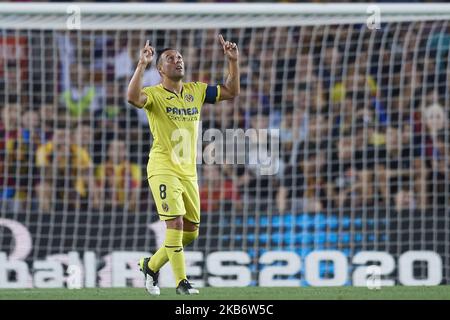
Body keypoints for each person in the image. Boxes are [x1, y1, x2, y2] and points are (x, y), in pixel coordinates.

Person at [127, 35, 239, 295]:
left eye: (179, 57)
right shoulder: (154, 94)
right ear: (160, 69)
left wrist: (233, 62)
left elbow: (232, 91)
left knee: (190, 233)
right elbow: (133, 98)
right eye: (170, 58)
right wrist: (141, 65)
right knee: (175, 224)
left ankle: (150, 266)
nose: (177, 61)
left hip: (189, 171)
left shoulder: (196, 90)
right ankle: (181, 282)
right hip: (162, 167)